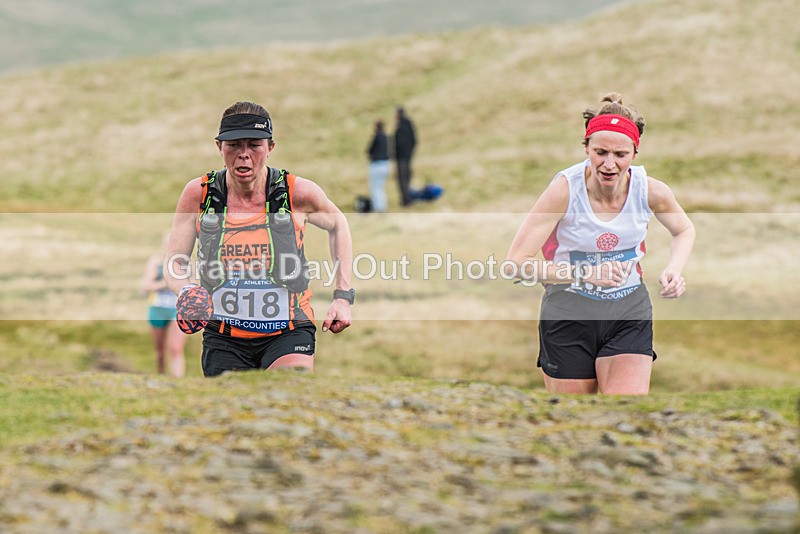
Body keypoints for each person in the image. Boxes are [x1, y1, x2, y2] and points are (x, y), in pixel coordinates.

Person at [506, 93, 695, 395]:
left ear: (635, 152)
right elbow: (515, 263)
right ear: (586, 148)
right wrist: (584, 273)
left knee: (625, 412)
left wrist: (674, 269)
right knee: (574, 422)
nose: (609, 164)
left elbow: (683, 229)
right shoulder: (564, 191)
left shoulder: (651, 191)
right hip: (568, 312)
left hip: (628, 310)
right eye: (600, 152)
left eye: (620, 154)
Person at [163, 101, 354, 376]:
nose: (244, 155)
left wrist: (342, 297)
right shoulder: (200, 194)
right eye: (233, 145)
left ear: (270, 147)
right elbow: (174, 261)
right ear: (219, 147)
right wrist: (186, 290)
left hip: (289, 331)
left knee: (288, 395)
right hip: (224, 334)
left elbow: (339, 224)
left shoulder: (296, 192)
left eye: (254, 145)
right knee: (227, 412)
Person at [140, 233, 187, 377]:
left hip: (177, 310)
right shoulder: (155, 262)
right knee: (160, 351)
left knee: (176, 348)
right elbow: (145, 286)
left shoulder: (185, 263)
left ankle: (179, 382)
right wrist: (165, 284)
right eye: (168, 244)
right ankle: (161, 376)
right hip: (158, 309)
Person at [393, 106, 417, 207]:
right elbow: (414, 140)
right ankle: (407, 199)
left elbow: (400, 142)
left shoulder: (401, 126)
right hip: (407, 157)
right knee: (406, 178)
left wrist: (398, 153)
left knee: (402, 179)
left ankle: (406, 200)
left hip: (402, 157)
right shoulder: (408, 124)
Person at [367, 119, 390, 212]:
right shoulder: (386, 137)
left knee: (375, 187)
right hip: (386, 164)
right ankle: (383, 206)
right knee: (381, 187)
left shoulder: (377, 137)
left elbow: (370, 150)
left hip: (377, 164)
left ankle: (379, 208)